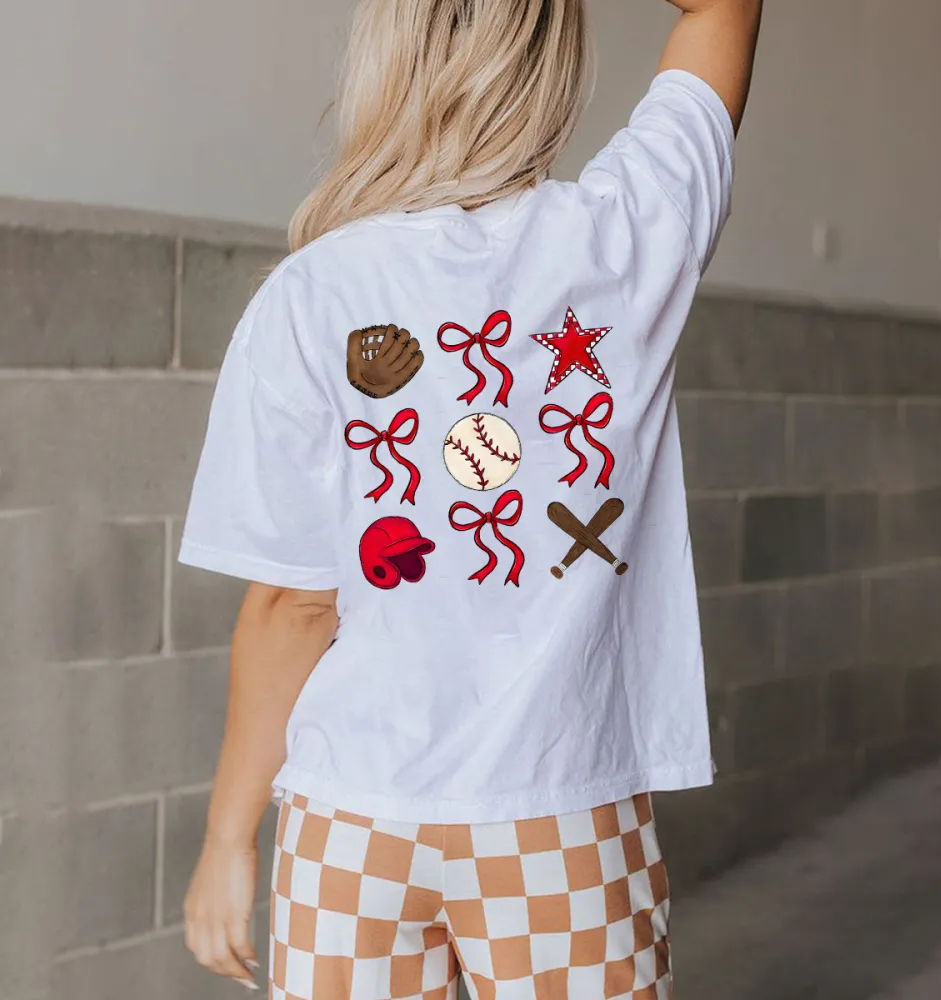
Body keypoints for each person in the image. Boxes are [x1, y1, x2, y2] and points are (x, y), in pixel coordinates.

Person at [178, 0, 762, 996]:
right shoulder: (626, 239)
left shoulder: (310, 293)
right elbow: (722, 11)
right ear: (553, 62)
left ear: (386, 55)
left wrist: (228, 838)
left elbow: (292, 606)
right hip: (561, 818)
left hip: (352, 820)